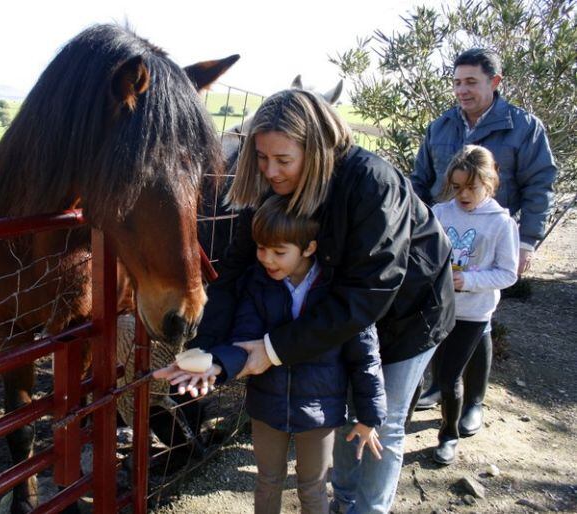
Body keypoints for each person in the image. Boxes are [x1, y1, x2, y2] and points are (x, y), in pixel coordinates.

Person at [157, 89, 455, 514]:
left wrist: (273, 350)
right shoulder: (273, 185)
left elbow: (367, 293)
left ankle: (369, 509)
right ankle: (345, 500)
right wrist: (210, 351)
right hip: (343, 310)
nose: (270, 171)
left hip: (410, 311)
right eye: (261, 158)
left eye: (283, 160)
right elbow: (237, 270)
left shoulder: (373, 183)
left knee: (380, 420)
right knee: (350, 413)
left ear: (315, 149)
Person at [166, 194, 387, 514]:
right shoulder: (258, 283)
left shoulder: (338, 292)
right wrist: (216, 365)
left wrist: (369, 416)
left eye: (278, 252)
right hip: (267, 404)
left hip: (320, 410)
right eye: (260, 248)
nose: (267, 259)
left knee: (312, 487)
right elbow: (244, 339)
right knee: (268, 481)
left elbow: (365, 356)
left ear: (309, 248)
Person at [411, 48, 557, 435]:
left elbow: (539, 186)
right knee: (442, 317)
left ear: (494, 82)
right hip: (443, 241)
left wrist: (527, 241)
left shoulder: (525, 128)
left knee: (480, 321)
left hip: (491, 243)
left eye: (471, 82)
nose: (462, 90)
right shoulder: (440, 127)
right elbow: (421, 180)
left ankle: (473, 400)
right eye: (457, 82)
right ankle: (443, 386)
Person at [430, 145, 519, 463]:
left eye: (471, 187)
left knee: (450, 375)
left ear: (489, 182)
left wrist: (468, 281)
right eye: (456, 187)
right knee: (439, 370)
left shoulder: (500, 223)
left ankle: (448, 435)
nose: (462, 194)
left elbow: (508, 273)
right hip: (441, 310)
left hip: (474, 312)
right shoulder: (441, 213)